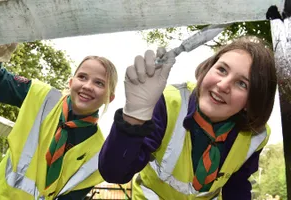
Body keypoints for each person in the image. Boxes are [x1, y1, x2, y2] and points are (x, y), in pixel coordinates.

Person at [98, 36, 277, 200]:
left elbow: (236, 188)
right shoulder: (168, 104)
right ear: (207, 69)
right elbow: (115, 173)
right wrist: (134, 115)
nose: (223, 85)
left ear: (252, 100)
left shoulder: (256, 136)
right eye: (222, 70)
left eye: (242, 83)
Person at [0, 43, 118, 200]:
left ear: (109, 97)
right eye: (82, 77)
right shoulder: (41, 96)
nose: (88, 86)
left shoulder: (98, 153)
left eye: (99, 83)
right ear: (71, 82)